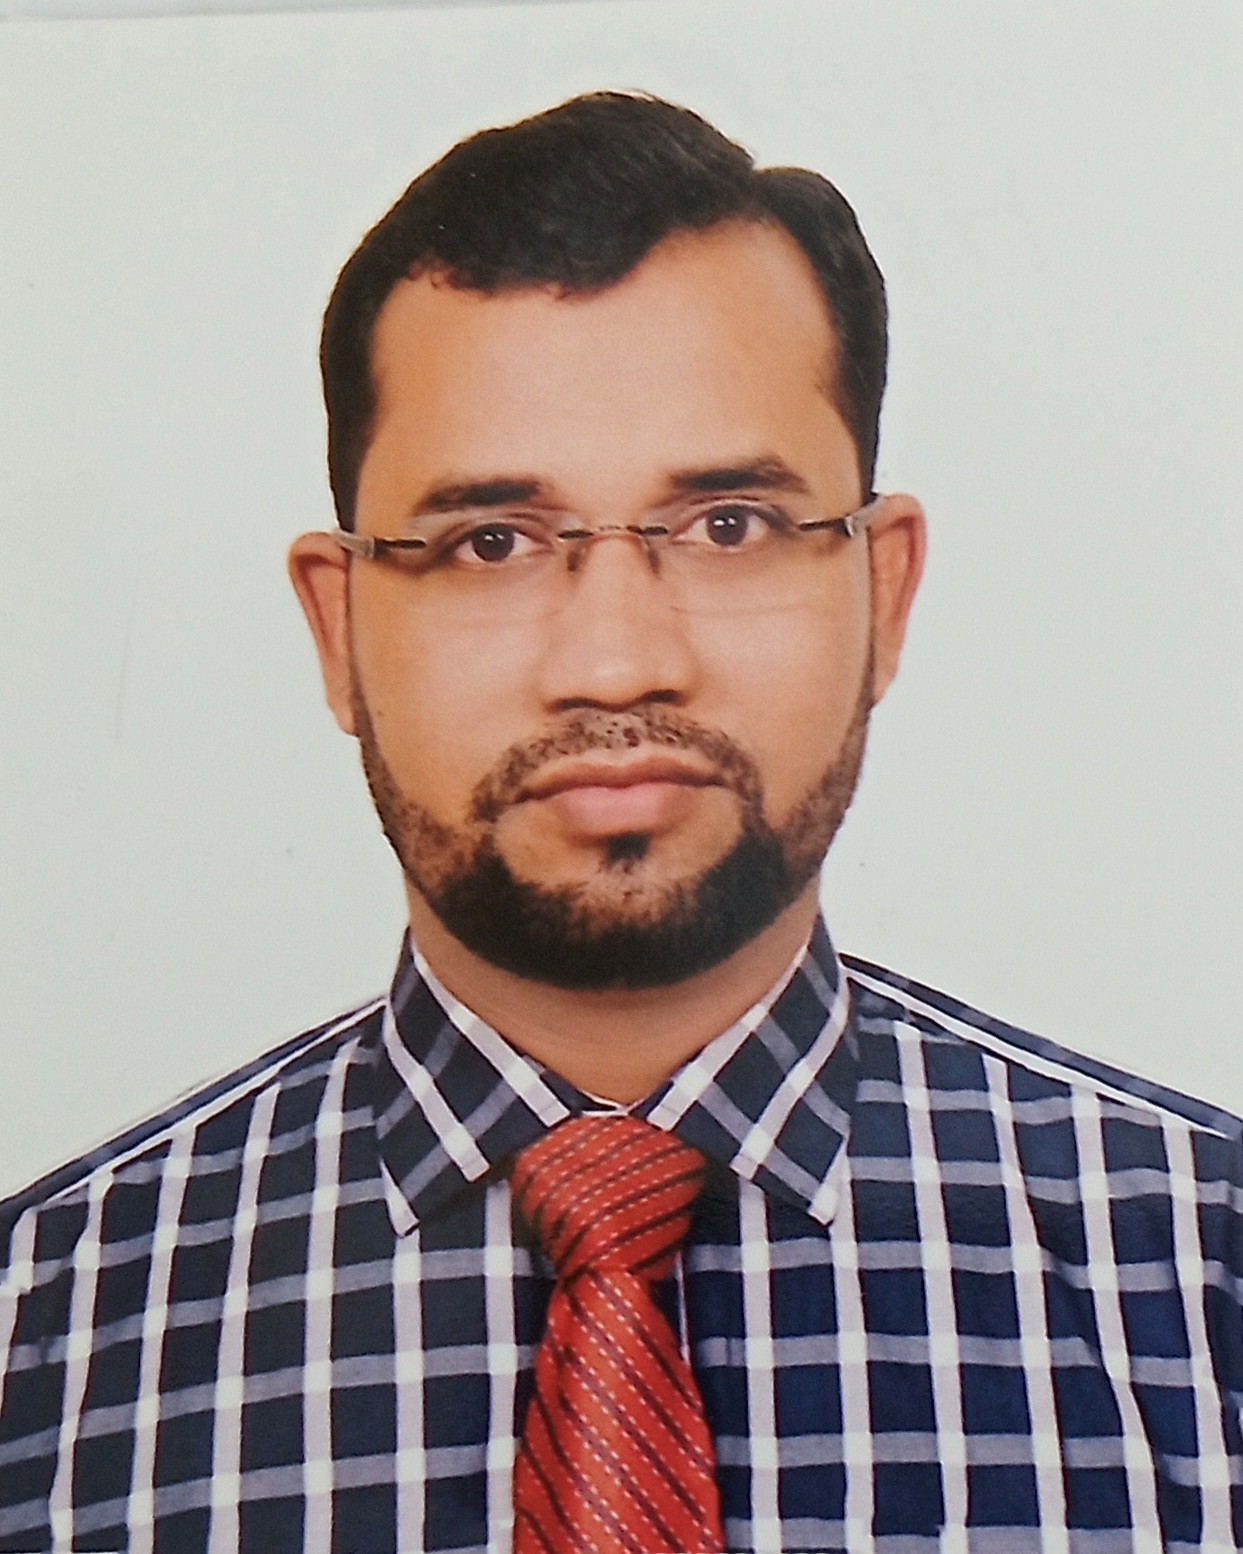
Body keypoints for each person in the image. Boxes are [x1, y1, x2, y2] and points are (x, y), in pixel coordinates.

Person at [1, 90, 1240, 1554]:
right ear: (338, 630)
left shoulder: (1204, 1282)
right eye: (491, 541)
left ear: (884, 592)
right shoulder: (40, 1335)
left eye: (728, 525)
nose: (613, 661)